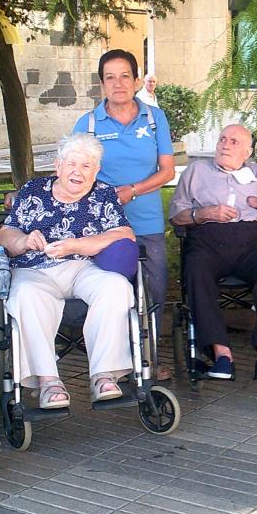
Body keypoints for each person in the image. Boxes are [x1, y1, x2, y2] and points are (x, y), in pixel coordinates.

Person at [0, 133, 138, 408]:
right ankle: (48, 381)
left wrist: (78, 245)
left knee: (116, 287)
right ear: (58, 165)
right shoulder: (33, 190)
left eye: (86, 165)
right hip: (35, 268)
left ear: (96, 170)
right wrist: (24, 241)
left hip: (84, 266)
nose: (78, 172)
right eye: (72, 164)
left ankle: (104, 375)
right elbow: (6, 233)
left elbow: (124, 233)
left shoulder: (103, 194)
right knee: (25, 294)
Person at [169, 124, 257, 379]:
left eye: (234, 142)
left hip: (252, 242)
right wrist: (203, 213)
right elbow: (175, 216)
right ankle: (221, 354)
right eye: (222, 139)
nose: (225, 145)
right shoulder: (196, 171)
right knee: (196, 271)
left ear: (248, 152)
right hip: (207, 241)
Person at [74, 51, 174, 337]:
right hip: (102, 225)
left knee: (155, 288)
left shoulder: (154, 118)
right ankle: (114, 349)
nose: (118, 84)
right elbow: (75, 175)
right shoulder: (88, 124)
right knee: (111, 288)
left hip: (147, 221)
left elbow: (167, 171)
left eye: (125, 76)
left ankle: (148, 351)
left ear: (137, 81)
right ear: (102, 84)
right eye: (110, 78)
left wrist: (133, 190)